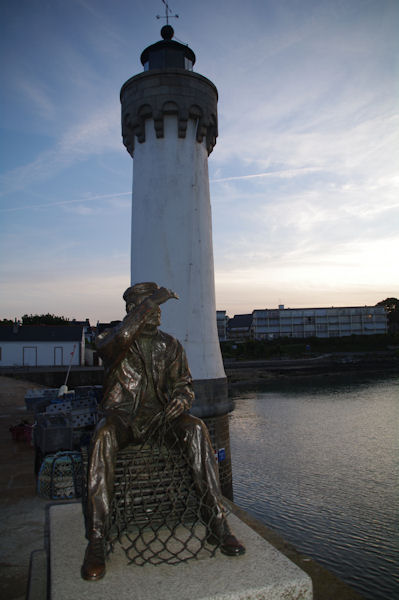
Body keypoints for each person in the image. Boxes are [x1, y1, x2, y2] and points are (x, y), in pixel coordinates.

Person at [81, 282, 245, 581]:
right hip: (123, 418)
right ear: (135, 310)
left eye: (158, 308)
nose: (158, 314)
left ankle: (217, 522)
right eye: (151, 308)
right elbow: (114, 343)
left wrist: (182, 399)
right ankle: (97, 537)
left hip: (160, 418)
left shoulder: (170, 345)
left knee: (196, 429)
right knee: (103, 436)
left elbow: (183, 383)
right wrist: (148, 304)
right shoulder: (112, 340)